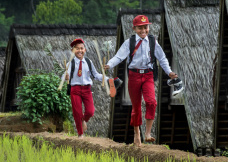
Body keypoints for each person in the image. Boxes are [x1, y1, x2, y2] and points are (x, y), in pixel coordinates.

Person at [104, 15, 178, 147]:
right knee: (136, 107)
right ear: (134, 28)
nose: (143, 30)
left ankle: (148, 133)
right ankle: (137, 133)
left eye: (146, 27)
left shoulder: (152, 41)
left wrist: (169, 72)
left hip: (148, 75)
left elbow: (162, 58)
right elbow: (119, 57)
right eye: (140, 28)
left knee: (151, 102)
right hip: (134, 76)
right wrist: (109, 64)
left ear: (148, 27)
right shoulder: (130, 42)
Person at [65, 38, 108, 138]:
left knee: (90, 111)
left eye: (81, 48)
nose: (79, 50)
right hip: (75, 90)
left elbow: (96, 75)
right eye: (77, 48)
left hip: (87, 89)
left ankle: (84, 120)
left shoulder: (88, 62)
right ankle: (80, 134)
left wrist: (106, 78)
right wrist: (66, 77)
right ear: (73, 50)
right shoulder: (70, 64)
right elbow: (64, 76)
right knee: (77, 112)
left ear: (85, 50)